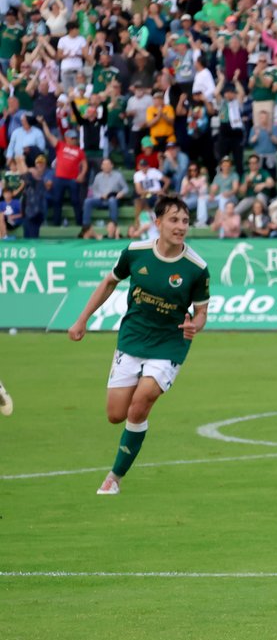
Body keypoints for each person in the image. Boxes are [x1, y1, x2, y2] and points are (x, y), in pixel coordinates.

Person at [66, 195, 210, 495]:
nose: (180, 226)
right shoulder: (135, 252)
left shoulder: (196, 268)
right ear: (157, 222)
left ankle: (113, 478)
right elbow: (108, 283)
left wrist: (195, 325)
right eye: (173, 219)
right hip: (132, 338)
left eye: (185, 221)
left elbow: (201, 312)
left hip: (170, 344)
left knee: (141, 403)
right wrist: (82, 320)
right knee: (115, 414)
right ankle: (130, 436)